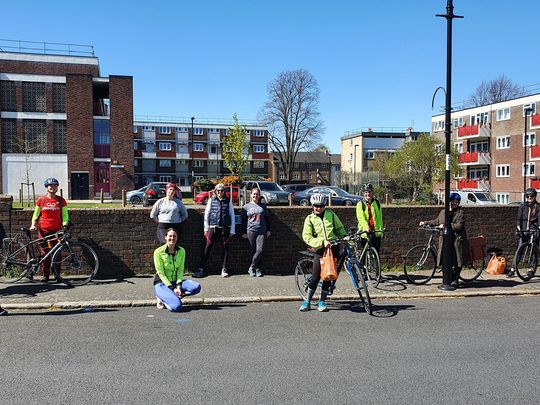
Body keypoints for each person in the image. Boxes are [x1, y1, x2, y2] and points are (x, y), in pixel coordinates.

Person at [300, 193, 347, 312]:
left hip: (333, 247)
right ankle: (308, 301)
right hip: (320, 249)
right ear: (312, 206)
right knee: (315, 277)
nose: (318, 208)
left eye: (321, 206)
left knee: (328, 276)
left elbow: (340, 227)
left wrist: (344, 236)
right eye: (316, 206)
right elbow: (307, 237)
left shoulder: (330, 214)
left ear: (324, 206)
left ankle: (322, 301)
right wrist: (322, 242)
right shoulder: (309, 219)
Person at [419, 192, 469, 287]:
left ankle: (456, 279)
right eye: (452, 201)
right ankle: (449, 277)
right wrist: (425, 222)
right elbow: (437, 221)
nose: (454, 203)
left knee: (457, 260)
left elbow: (459, 226)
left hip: (456, 240)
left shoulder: (460, 213)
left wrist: (447, 225)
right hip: (445, 240)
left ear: (458, 203)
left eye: (456, 202)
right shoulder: (443, 212)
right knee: (446, 259)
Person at [29, 177, 69, 283]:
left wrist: (65, 225)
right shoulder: (41, 200)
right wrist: (33, 224)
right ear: (47, 187)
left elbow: (65, 215)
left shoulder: (61, 200)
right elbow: (36, 214)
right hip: (44, 231)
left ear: (57, 187)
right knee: (45, 254)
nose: (53, 187)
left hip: (57, 231)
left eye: (55, 185)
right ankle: (45, 275)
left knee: (57, 253)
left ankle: (57, 275)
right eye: (50, 186)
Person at [153, 228, 201, 312]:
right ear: (165, 237)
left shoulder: (181, 251)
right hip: (162, 283)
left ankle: (176, 295)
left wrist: (178, 286)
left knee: (196, 287)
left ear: (177, 237)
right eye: (170, 236)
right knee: (176, 307)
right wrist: (172, 288)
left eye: (174, 236)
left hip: (175, 281)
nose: (172, 238)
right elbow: (161, 273)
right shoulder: (158, 252)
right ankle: (161, 296)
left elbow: (180, 270)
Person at [195, 183, 236, 278]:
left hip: (225, 228)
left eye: (221, 190)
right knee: (207, 247)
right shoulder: (211, 200)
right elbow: (207, 215)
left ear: (224, 191)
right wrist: (206, 228)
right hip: (212, 227)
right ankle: (201, 268)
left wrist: (232, 230)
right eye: (218, 190)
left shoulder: (228, 201)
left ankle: (224, 268)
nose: (220, 192)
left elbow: (232, 215)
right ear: (215, 191)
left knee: (225, 249)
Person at [508, 187, 540, 277]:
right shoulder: (523, 206)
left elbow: (539, 218)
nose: (529, 198)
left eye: (531, 196)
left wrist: (539, 227)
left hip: (534, 230)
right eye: (527, 196)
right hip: (524, 230)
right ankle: (513, 269)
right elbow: (519, 218)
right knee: (519, 249)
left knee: (533, 250)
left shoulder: (538, 206)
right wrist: (518, 226)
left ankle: (532, 269)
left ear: (535, 196)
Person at [241, 188, 271, 277]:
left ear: (259, 195)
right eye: (254, 194)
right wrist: (243, 232)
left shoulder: (263, 206)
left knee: (260, 250)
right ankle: (257, 269)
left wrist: (268, 230)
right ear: (251, 195)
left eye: (257, 194)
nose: (255, 196)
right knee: (252, 251)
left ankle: (252, 267)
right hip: (251, 230)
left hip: (262, 230)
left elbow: (267, 218)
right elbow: (243, 220)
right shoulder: (246, 207)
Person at [356, 183, 383, 252]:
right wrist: (366, 227)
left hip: (376, 232)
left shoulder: (377, 203)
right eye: (366, 192)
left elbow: (379, 218)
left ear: (372, 192)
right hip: (365, 233)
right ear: (363, 193)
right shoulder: (360, 204)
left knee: (376, 255)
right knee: (365, 255)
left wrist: (381, 230)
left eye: (369, 192)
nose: (368, 194)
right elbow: (361, 218)